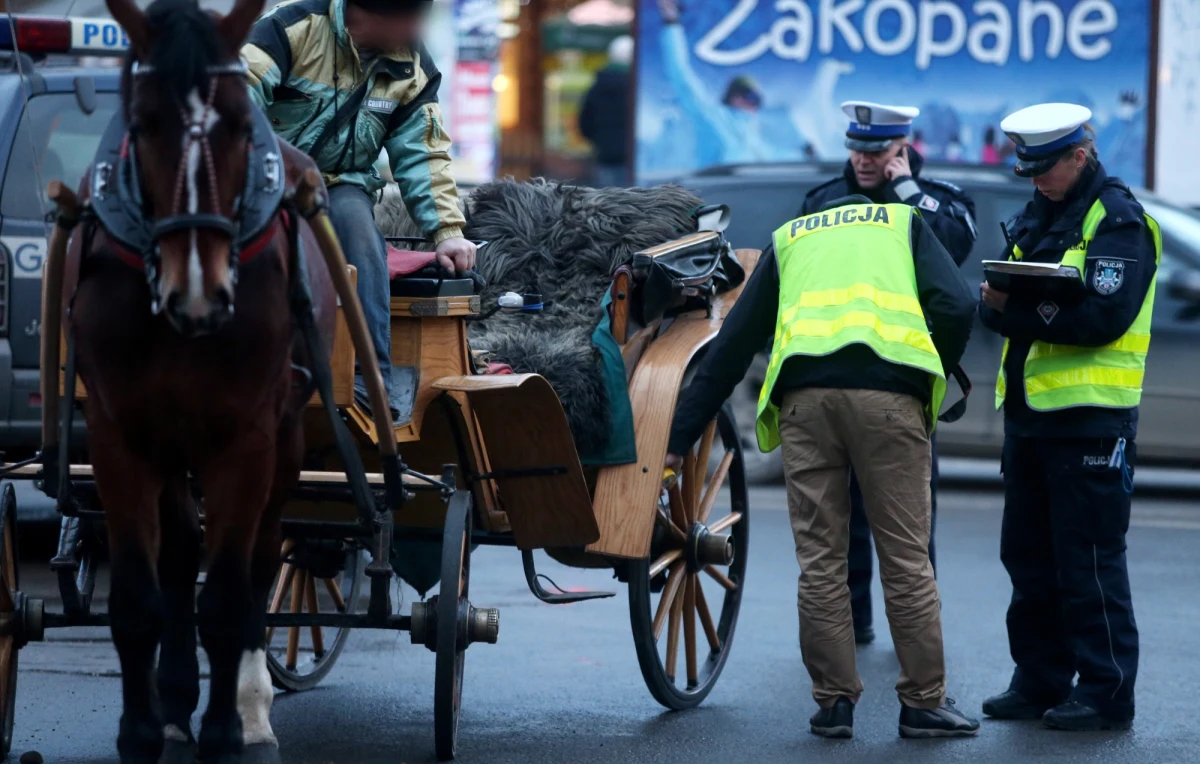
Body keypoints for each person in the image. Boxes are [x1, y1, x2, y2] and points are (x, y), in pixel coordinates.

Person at [666, 196, 980, 739]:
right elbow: (955, 304)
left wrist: (678, 438)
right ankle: (923, 703)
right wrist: (928, 369)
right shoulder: (902, 222)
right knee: (906, 559)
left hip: (806, 405)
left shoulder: (791, 236)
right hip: (889, 402)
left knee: (820, 561)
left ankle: (834, 703)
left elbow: (733, 345)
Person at [978, 103, 1158, 732]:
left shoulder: (1119, 218)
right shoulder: (1043, 210)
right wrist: (1006, 305)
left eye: (1044, 167)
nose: (1034, 179)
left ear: (1078, 156)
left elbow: (1103, 320)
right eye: (1027, 168)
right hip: (1030, 420)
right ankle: (1040, 681)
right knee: (1027, 561)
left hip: (1091, 422)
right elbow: (996, 304)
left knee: (1088, 563)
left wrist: (1017, 310)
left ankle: (1107, 692)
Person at [796, 101, 977, 646]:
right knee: (839, 513)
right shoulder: (824, 200)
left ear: (902, 148)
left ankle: (917, 629)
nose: (864, 160)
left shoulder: (938, 200)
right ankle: (851, 621)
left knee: (909, 514)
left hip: (902, 378)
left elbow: (955, 250)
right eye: (857, 150)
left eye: (877, 151)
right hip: (833, 369)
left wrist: (904, 192)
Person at [242, 0, 476, 410]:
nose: (418, 27)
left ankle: (369, 380)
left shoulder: (413, 64)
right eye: (411, 15)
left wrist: (447, 232)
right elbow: (234, 111)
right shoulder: (289, 29)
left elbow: (423, 153)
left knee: (359, 233)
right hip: (257, 181)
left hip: (336, 187)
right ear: (371, 13)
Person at [656, 0, 769, 168]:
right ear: (735, 97)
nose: (754, 105)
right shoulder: (712, 116)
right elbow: (681, 75)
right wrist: (672, 24)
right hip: (716, 190)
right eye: (752, 97)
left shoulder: (754, 135)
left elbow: (776, 160)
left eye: (758, 101)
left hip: (748, 190)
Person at [580, 35, 632, 188]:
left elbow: (585, 123)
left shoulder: (597, 87)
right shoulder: (638, 88)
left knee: (605, 203)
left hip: (605, 156)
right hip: (634, 158)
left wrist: (600, 141)